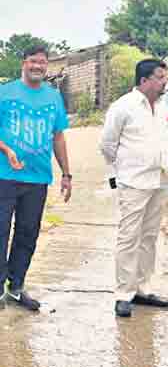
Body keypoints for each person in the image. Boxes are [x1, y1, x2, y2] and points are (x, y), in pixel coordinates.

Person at [100, 59, 168, 317]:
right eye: (160, 77)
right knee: (129, 237)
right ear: (144, 80)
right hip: (133, 182)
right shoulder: (123, 107)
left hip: (159, 179)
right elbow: (107, 145)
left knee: (149, 237)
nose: (165, 81)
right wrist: (122, 170)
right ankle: (123, 294)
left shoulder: (162, 106)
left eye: (165, 76)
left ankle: (143, 289)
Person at [0, 45, 72, 311]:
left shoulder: (53, 97)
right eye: (33, 61)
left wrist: (66, 173)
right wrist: (7, 150)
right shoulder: (5, 92)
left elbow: (58, 136)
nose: (38, 66)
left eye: (42, 62)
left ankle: (16, 287)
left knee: (28, 233)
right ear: (24, 63)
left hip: (38, 178)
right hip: (4, 176)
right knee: (0, 231)